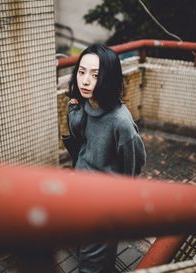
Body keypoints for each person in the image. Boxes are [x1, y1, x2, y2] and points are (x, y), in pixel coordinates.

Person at [66, 43, 147, 273]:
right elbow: (78, 133)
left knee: (91, 263)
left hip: (103, 201)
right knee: (89, 250)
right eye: (81, 72)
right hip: (81, 189)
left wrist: (121, 200)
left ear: (108, 78)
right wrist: (73, 109)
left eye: (95, 75)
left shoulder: (121, 121)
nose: (85, 80)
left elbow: (136, 162)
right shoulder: (86, 103)